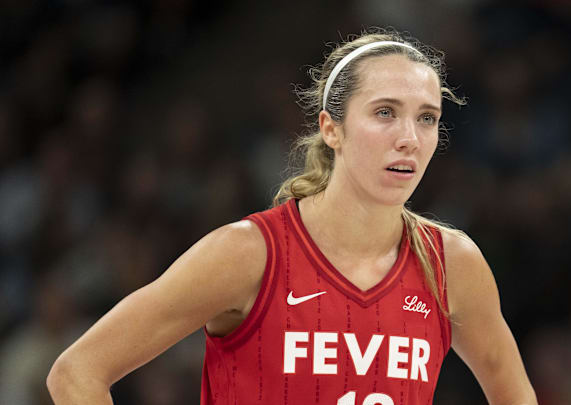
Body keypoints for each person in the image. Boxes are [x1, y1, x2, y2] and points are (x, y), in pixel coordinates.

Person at [47, 28, 537, 405]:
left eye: (426, 117)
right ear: (332, 129)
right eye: (385, 112)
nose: (409, 136)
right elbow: (77, 372)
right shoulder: (247, 254)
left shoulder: (453, 263)